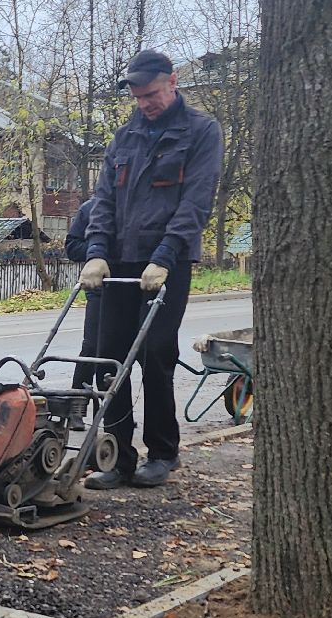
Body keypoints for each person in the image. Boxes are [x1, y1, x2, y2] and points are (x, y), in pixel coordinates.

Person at [77, 49, 223, 489]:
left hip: (167, 263)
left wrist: (165, 255)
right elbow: (103, 201)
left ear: (172, 82)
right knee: (110, 359)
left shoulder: (201, 131)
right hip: (119, 261)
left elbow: (196, 202)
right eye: (139, 97)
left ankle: (163, 452)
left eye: (152, 94)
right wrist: (96, 251)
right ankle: (119, 458)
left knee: (156, 353)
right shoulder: (124, 137)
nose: (145, 103)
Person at [62, 199, 101, 391]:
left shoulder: (140, 204)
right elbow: (72, 247)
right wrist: (98, 252)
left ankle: (114, 414)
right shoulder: (90, 209)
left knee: (135, 352)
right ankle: (76, 403)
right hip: (100, 289)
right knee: (92, 347)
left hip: (136, 289)